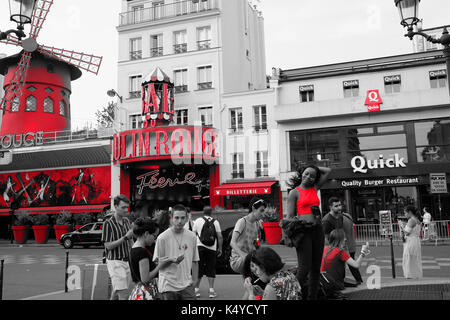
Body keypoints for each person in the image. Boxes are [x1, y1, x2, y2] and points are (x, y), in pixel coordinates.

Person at [285, 165, 331, 300]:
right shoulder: (294, 192)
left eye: (312, 176)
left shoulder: (315, 188)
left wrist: (313, 168)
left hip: (318, 230)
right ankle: (290, 296)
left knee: (316, 268)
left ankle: (312, 297)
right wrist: (293, 232)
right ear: (301, 174)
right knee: (304, 268)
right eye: (306, 174)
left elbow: (328, 171)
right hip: (303, 231)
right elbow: (290, 216)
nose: (308, 177)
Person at [153, 204, 200, 300]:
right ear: (171, 218)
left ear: (187, 218)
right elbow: (157, 263)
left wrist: (194, 280)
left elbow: (195, 260)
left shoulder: (192, 236)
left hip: (187, 285)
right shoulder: (162, 238)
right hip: (168, 286)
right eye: (177, 218)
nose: (180, 221)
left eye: (182, 218)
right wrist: (171, 260)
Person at [128, 218, 175, 300]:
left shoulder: (134, 248)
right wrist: (160, 265)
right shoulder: (142, 252)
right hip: (146, 293)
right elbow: (145, 278)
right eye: (154, 236)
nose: (155, 239)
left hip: (139, 291)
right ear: (146, 233)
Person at [322, 197, 362, 284]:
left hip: (340, 247)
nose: (339, 208)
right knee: (337, 266)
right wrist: (332, 250)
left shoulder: (340, 217)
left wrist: (343, 243)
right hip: (333, 249)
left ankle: (343, 281)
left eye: (340, 205)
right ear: (330, 207)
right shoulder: (326, 220)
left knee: (343, 265)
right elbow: (326, 238)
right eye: (336, 206)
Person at [101, 194, 135, 300]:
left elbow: (131, 241)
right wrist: (125, 237)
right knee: (123, 294)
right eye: (123, 207)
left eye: (127, 207)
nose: (126, 210)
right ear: (115, 206)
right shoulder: (108, 223)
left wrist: (135, 254)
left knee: (117, 292)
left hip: (127, 261)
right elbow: (108, 246)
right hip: (115, 262)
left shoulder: (126, 221)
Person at [320, 229, 370, 298]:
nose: (345, 240)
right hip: (336, 284)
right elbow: (356, 265)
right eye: (344, 238)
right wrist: (363, 252)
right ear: (339, 240)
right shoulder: (340, 252)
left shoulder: (324, 249)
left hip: (323, 281)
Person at [229, 197, 267, 275]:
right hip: (238, 259)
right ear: (253, 208)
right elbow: (232, 243)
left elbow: (256, 244)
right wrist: (244, 256)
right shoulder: (242, 222)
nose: (263, 214)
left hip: (250, 258)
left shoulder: (257, 224)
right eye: (261, 210)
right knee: (261, 272)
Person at [193, 206, 223, 298]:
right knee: (211, 268)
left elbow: (193, 235)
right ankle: (211, 291)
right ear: (211, 212)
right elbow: (220, 237)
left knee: (199, 268)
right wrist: (220, 248)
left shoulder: (197, 221)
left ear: (203, 212)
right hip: (212, 248)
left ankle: (196, 290)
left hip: (199, 247)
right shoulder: (215, 222)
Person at [401, 205, 423, 279]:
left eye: (405, 213)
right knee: (414, 258)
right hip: (416, 240)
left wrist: (401, 226)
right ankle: (415, 274)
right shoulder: (416, 219)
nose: (405, 215)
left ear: (409, 212)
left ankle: (409, 274)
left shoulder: (411, 220)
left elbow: (407, 232)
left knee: (408, 258)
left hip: (410, 241)